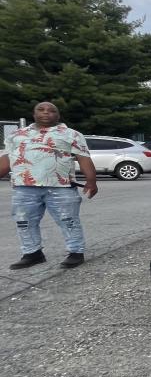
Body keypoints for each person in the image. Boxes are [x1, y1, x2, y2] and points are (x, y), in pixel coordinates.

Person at [0, 102, 99, 269]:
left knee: (68, 220)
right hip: (24, 186)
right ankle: (32, 253)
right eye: (41, 109)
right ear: (34, 113)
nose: (46, 113)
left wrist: (91, 181)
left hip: (60, 186)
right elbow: (6, 159)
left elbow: (83, 158)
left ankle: (76, 252)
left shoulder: (71, 134)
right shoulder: (16, 135)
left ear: (58, 116)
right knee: (24, 221)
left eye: (51, 110)